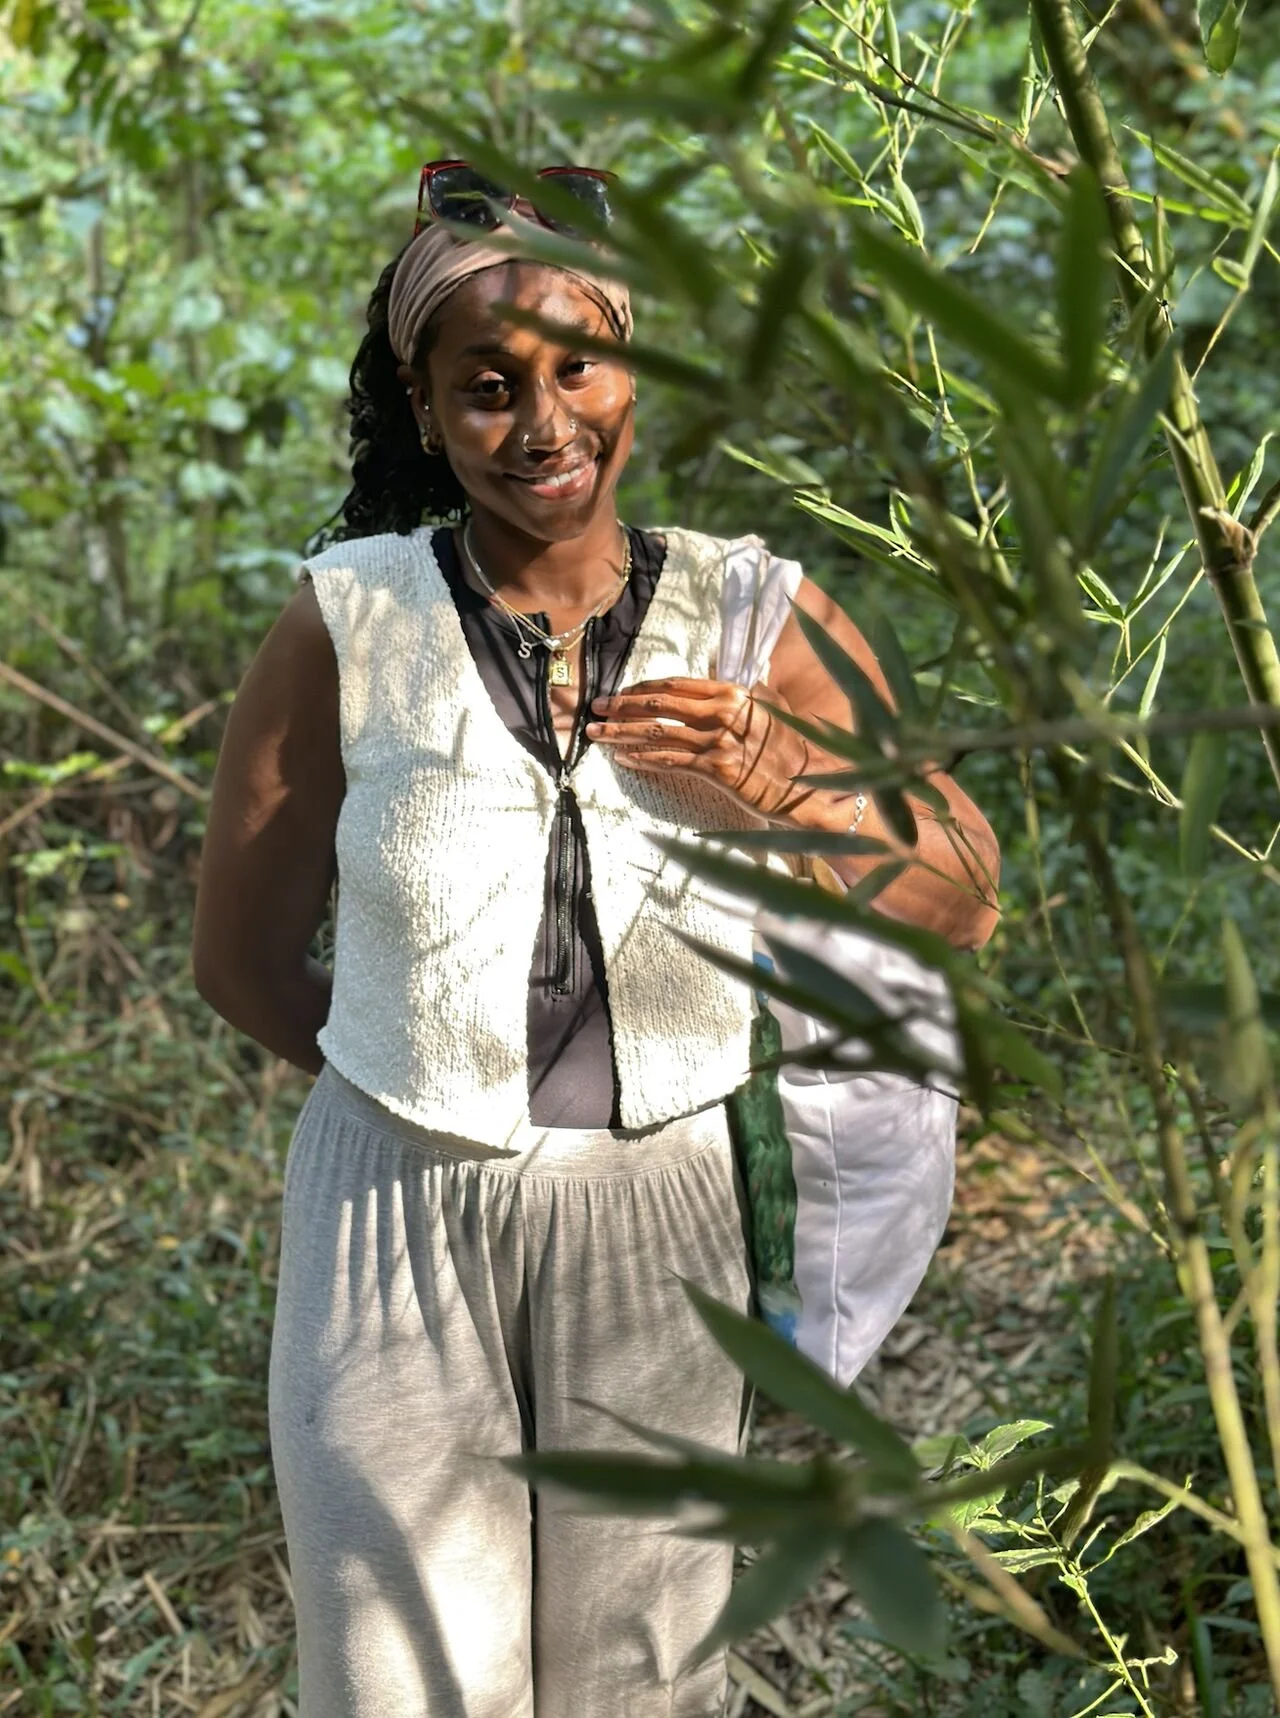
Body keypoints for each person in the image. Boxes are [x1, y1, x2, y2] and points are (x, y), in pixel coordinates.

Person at [191, 160, 1000, 1718]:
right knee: (398, 1683)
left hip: (660, 1221)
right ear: (428, 410)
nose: (543, 422)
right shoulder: (349, 624)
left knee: (642, 1682)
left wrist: (785, 777)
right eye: (488, 387)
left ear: (637, 367)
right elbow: (240, 960)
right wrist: (415, 1081)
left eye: (580, 368)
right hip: (392, 1229)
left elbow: (962, 892)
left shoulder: (754, 615)